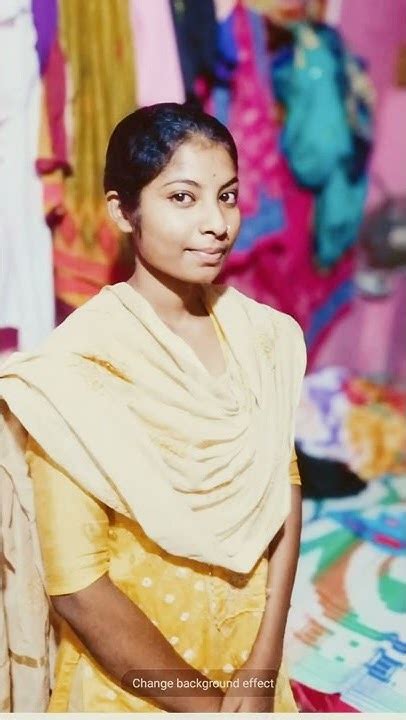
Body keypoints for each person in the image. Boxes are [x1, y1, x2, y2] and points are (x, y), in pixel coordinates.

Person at [0, 103, 306, 713]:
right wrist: (206, 706)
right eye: (183, 198)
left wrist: (263, 663)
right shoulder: (76, 369)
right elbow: (78, 588)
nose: (217, 223)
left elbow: (284, 488)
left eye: (227, 196)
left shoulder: (263, 337)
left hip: (248, 662)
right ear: (123, 211)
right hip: (133, 684)